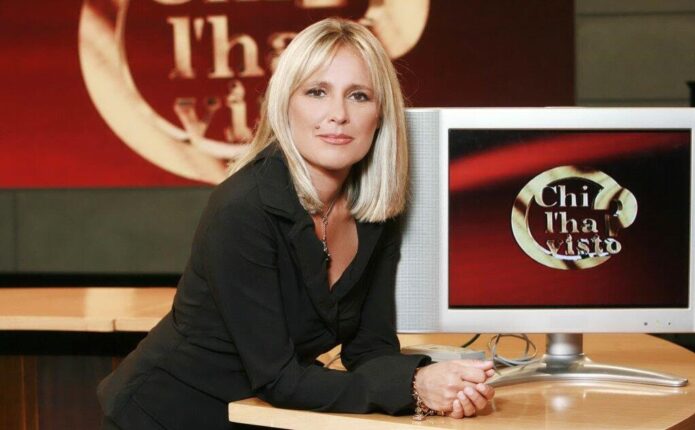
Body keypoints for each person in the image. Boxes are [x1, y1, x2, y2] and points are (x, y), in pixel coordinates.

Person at [98, 17, 495, 429]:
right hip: (162, 414)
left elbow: (370, 349)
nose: (338, 115)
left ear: (381, 115)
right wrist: (414, 387)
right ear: (285, 104)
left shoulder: (375, 208)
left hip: (259, 415)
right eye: (316, 92)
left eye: (359, 95)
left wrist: (442, 384)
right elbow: (279, 379)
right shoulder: (242, 207)